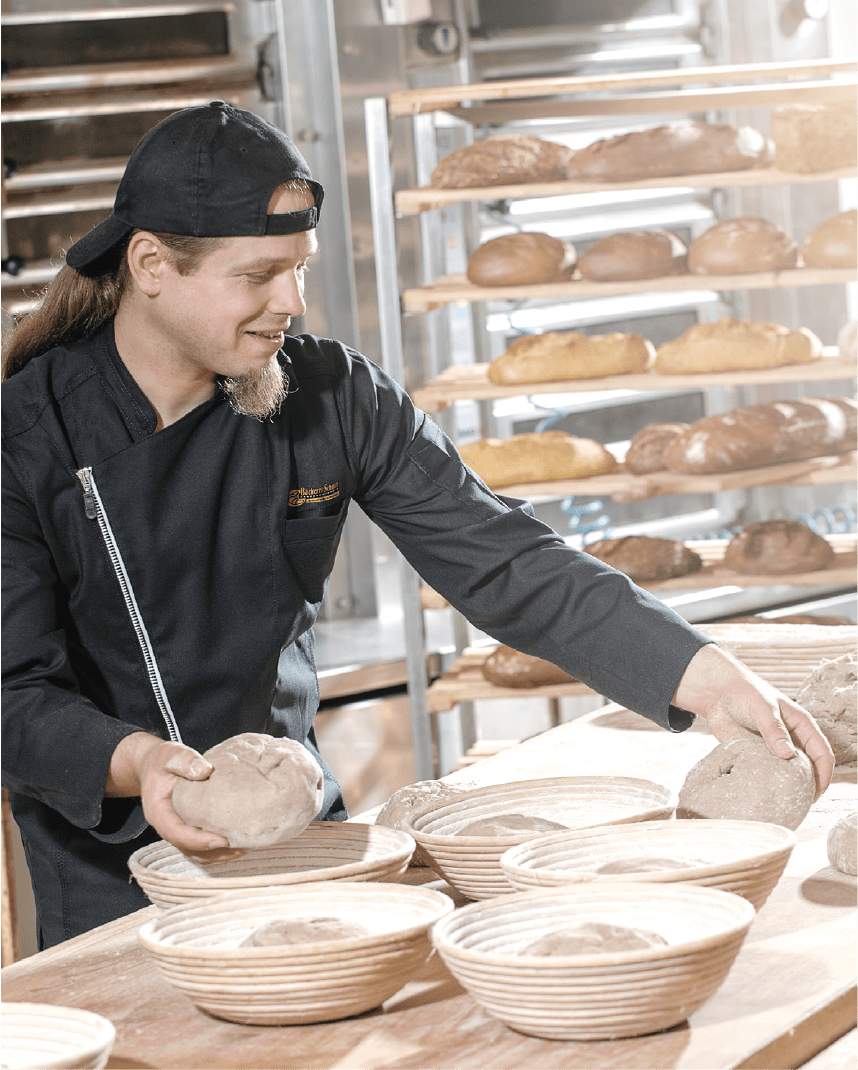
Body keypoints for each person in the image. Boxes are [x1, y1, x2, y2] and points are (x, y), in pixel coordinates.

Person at [1, 102, 834, 949]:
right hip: (114, 882)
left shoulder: (330, 394)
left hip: (305, 843)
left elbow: (503, 559)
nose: (291, 302)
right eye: (258, 276)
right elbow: (11, 695)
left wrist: (704, 674)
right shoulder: (24, 438)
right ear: (150, 264)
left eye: (300, 267)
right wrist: (141, 764)